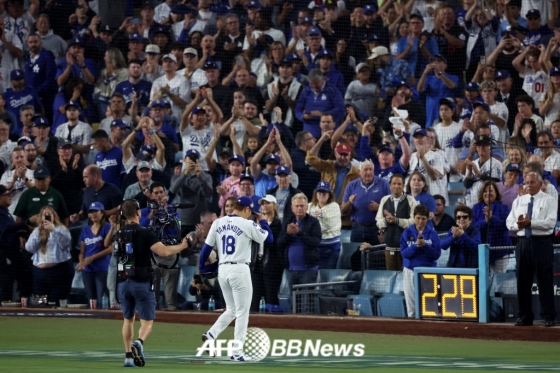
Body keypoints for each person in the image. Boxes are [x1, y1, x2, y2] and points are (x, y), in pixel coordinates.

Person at [117, 199, 191, 367]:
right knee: (147, 321)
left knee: (127, 320)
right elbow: (164, 252)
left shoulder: (119, 233)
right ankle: (139, 342)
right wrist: (183, 245)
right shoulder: (145, 232)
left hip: (122, 281)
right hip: (141, 281)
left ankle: (128, 356)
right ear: (138, 213)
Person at [198, 196, 273, 361]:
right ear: (246, 209)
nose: (251, 215)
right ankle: (237, 352)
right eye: (250, 212)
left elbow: (206, 249)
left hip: (223, 269)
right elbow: (269, 238)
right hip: (239, 269)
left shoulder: (218, 222)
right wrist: (264, 222)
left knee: (231, 309)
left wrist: (203, 268)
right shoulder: (247, 224)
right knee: (242, 312)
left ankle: (211, 334)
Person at [506, 172, 557, 327]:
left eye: (532, 182)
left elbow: (550, 223)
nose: (529, 185)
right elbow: (509, 222)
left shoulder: (550, 200)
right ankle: (524, 316)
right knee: (522, 280)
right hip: (522, 242)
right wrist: (519, 225)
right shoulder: (519, 201)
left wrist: (531, 223)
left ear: (540, 184)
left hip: (542, 242)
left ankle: (548, 316)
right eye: (527, 182)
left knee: (544, 280)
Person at [24, 206, 73, 305]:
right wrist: (38, 235)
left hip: (59, 272)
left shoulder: (62, 229)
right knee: (38, 303)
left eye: (49, 215)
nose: (46, 217)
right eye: (44, 215)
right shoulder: (36, 231)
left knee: (55, 302)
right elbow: (29, 248)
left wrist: (53, 230)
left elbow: (66, 243)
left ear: (54, 216)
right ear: (41, 218)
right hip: (39, 274)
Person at [400, 204, 441, 318]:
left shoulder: (433, 234)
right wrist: (415, 246)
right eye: (418, 218)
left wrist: (425, 246)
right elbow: (404, 253)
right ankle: (412, 327)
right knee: (411, 302)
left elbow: (436, 255)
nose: (420, 221)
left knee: (429, 302)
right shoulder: (407, 232)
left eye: (423, 218)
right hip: (410, 270)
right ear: (414, 217)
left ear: (427, 219)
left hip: (427, 270)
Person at [376, 174, 418, 271]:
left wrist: (397, 220)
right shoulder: (384, 200)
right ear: (390, 186)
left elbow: (414, 222)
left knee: (406, 275)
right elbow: (378, 222)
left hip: (407, 247)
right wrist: (387, 220)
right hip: (389, 246)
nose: (396, 186)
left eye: (399, 184)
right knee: (391, 275)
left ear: (403, 186)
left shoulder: (411, 200)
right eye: (394, 184)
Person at [76, 202, 114, 308]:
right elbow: (82, 252)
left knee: (102, 298)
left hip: (102, 268)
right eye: (91, 212)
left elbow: (111, 248)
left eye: (96, 211)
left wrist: (92, 258)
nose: (93, 214)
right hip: (88, 270)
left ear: (102, 213)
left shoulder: (107, 227)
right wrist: (82, 262)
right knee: (91, 299)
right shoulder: (85, 229)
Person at [471, 181, 512, 273]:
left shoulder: (504, 208)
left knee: (499, 278)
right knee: (484, 278)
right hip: (482, 250)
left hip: (501, 250)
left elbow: (506, 226)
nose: (487, 193)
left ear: (496, 193)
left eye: (491, 191)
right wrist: (485, 221)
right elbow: (473, 227)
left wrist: (491, 218)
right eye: (485, 191)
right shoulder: (476, 208)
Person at [307, 181, 341, 269]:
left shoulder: (334, 206)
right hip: (314, 248)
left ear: (329, 194)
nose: (321, 194)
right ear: (316, 193)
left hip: (330, 247)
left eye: (324, 192)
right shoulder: (310, 206)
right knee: (313, 276)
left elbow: (328, 226)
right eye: (319, 192)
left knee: (326, 276)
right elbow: (303, 224)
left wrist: (312, 222)